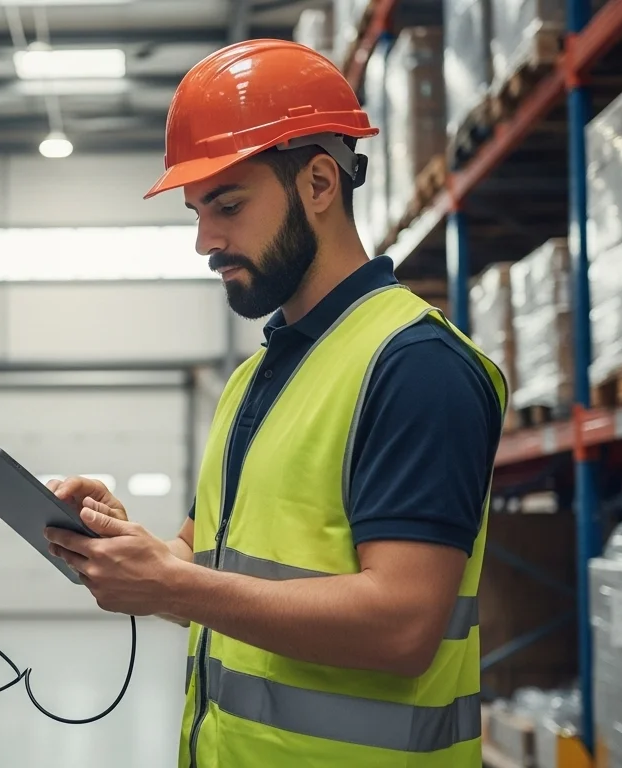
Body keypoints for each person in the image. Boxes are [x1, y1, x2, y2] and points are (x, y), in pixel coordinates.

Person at [42, 40, 507, 767]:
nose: (205, 241)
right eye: (197, 212)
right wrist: (122, 546)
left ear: (320, 182)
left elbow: (404, 627)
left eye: (227, 205)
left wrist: (174, 583)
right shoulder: (256, 378)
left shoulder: (416, 367)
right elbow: (202, 566)